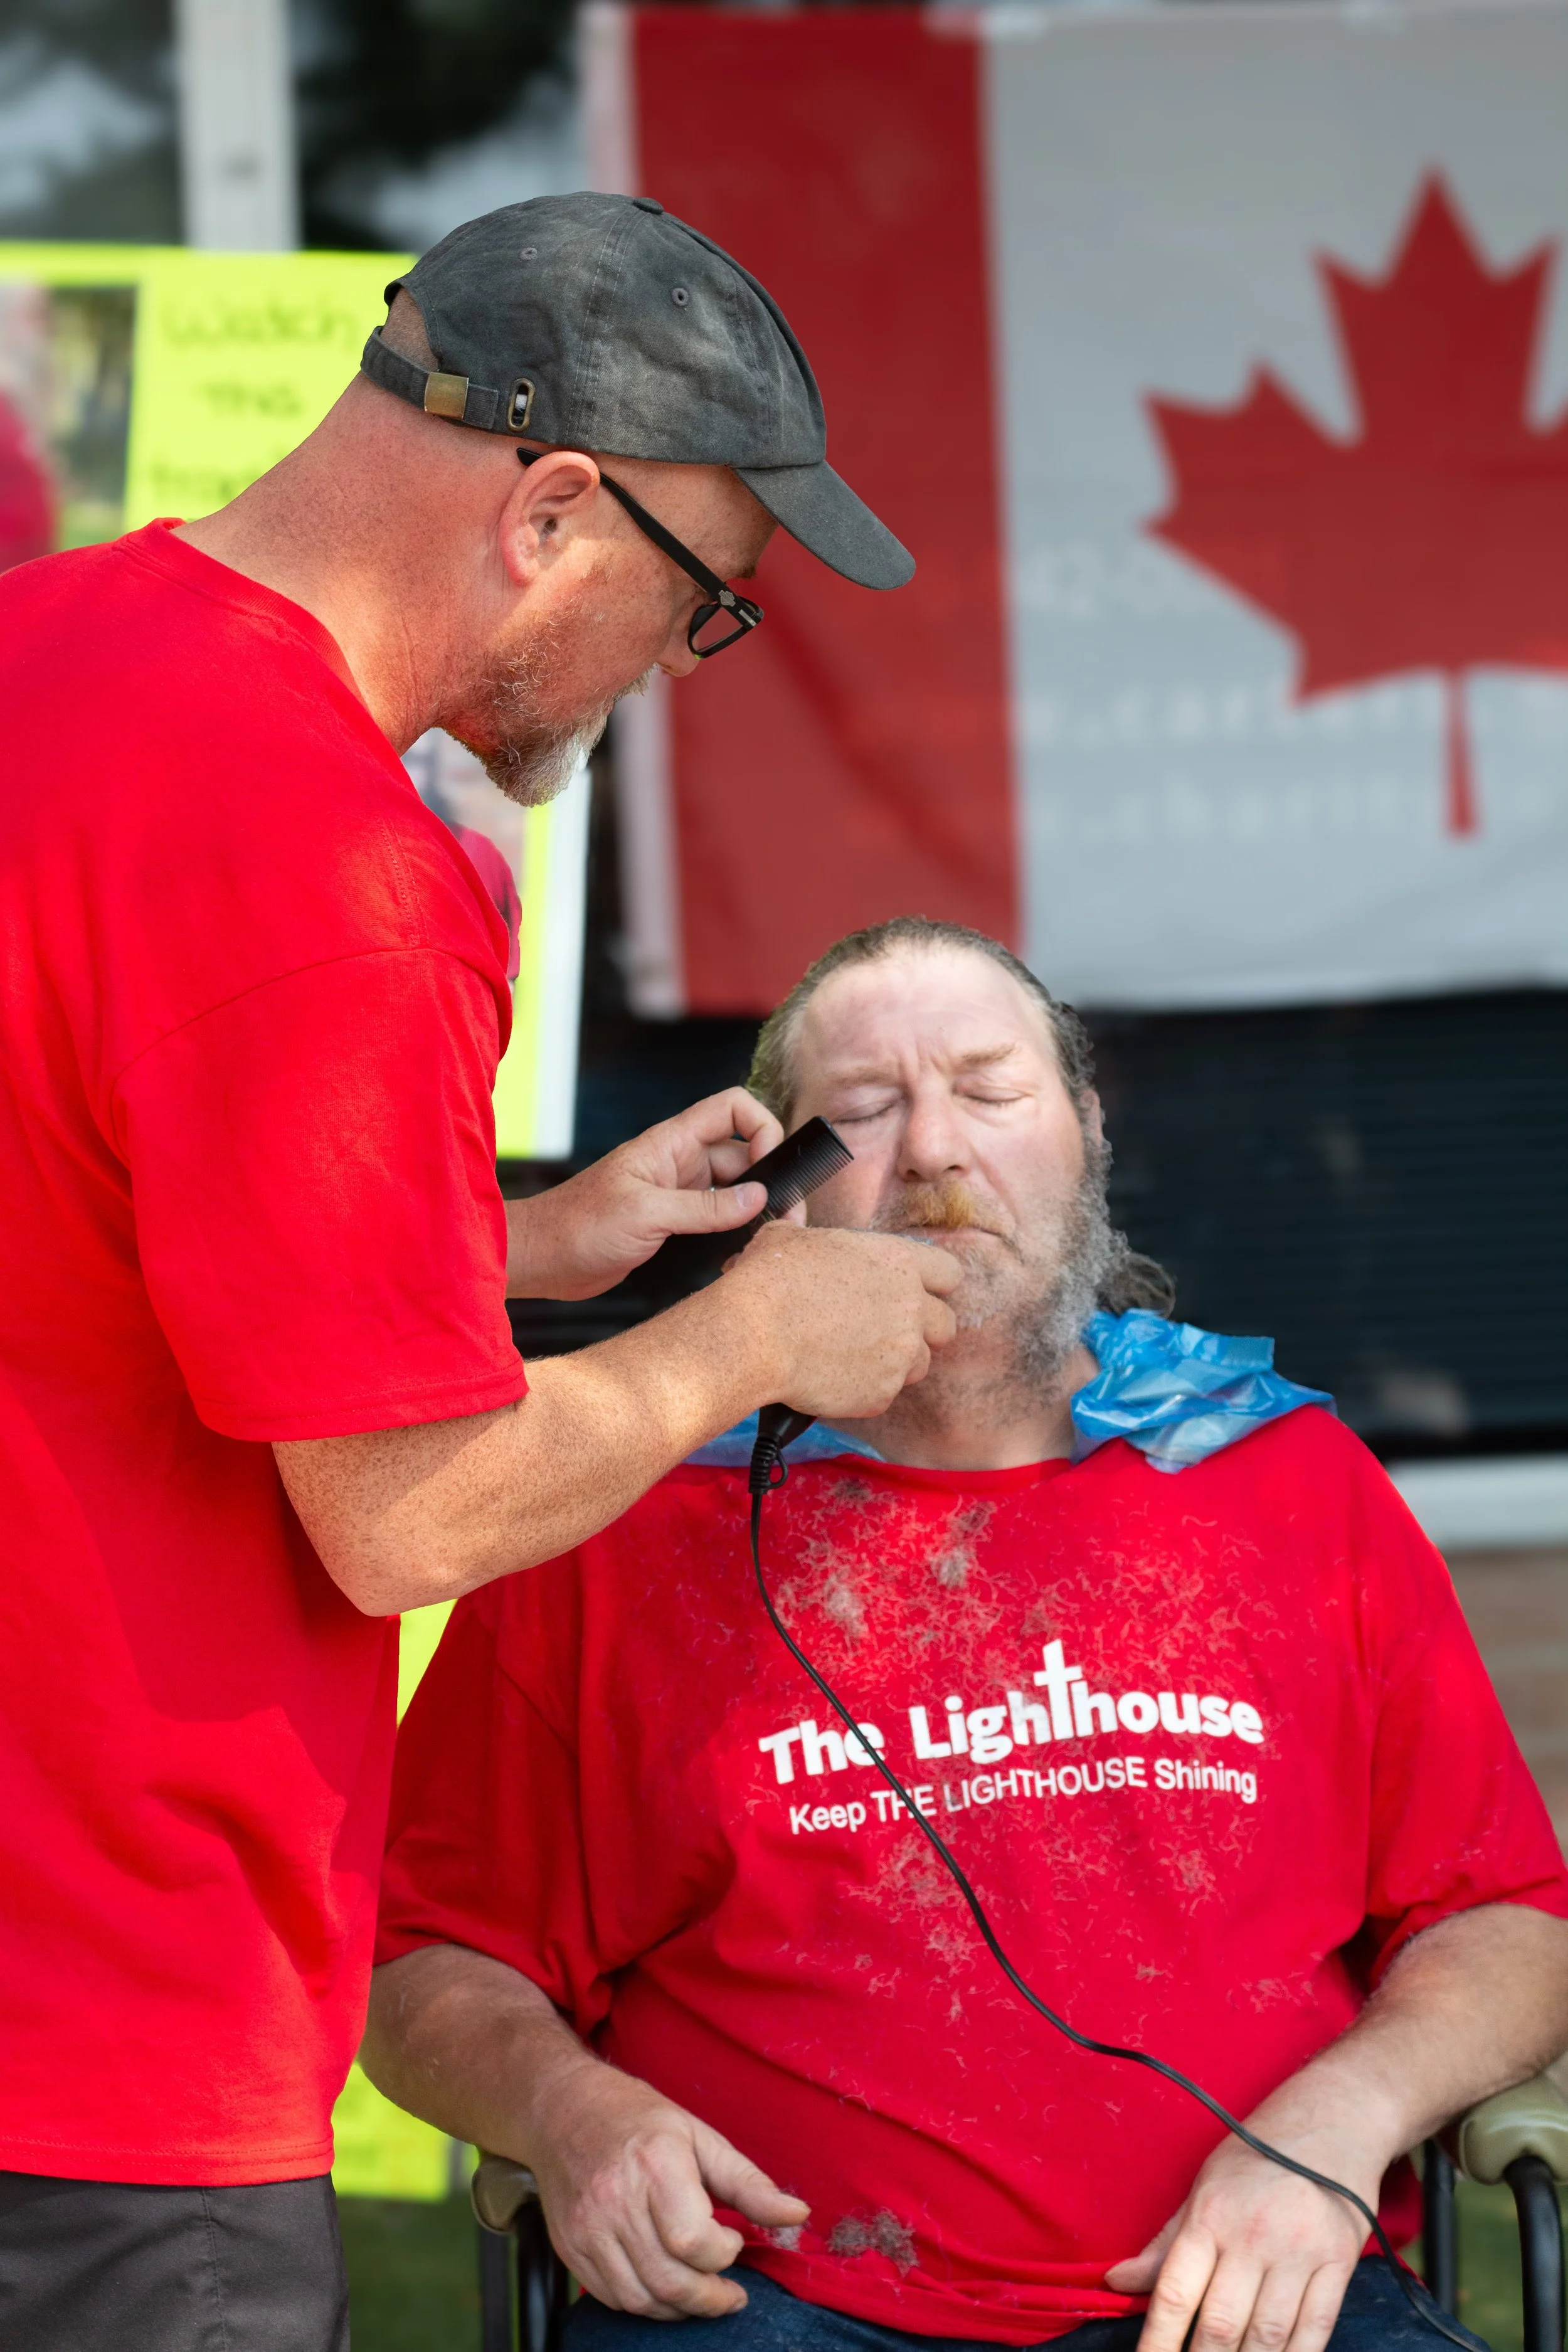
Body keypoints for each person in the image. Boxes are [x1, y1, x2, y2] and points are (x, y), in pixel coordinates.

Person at [0, 199, 960, 2352]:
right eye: (704, 608)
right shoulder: (331, 862)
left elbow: (84, 1216)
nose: (671, 679)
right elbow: (405, 1510)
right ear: (549, 514)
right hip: (101, 2035)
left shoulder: (44, 651)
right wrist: (746, 1337)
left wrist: (515, 1245)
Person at [368, 915, 1568, 2352]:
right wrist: (567, 2113)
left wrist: (1340, 2119)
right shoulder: (617, 1521)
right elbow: (419, 1957)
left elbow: (1503, 1918)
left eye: (990, 1090)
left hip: (1249, 2284)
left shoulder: (1282, 1479)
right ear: (782, 1195)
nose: (933, 1151)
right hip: (772, 2300)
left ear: (1084, 1135)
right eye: (862, 1112)